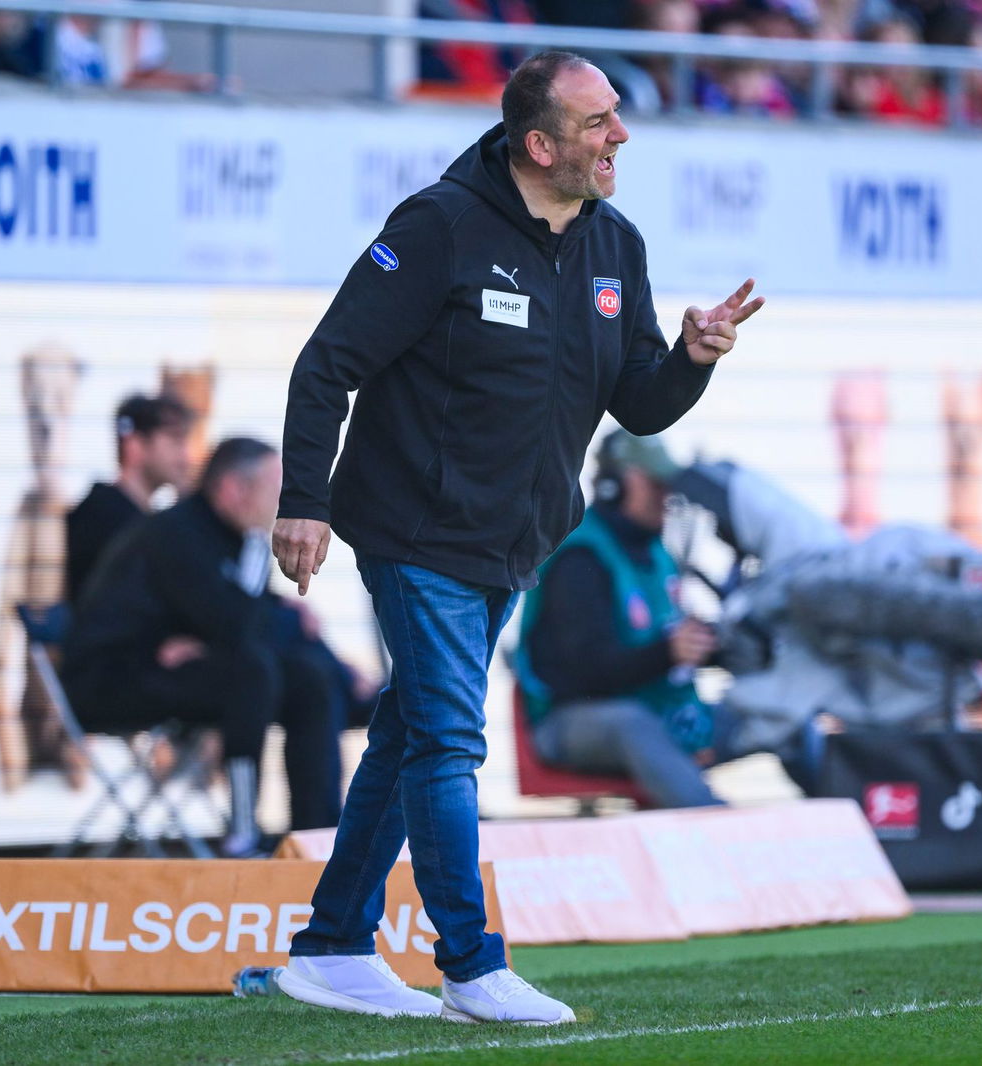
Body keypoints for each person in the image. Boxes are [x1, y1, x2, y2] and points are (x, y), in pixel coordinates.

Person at [271, 50, 763, 1024]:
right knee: (450, 737)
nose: (619, 133)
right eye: (596, 122)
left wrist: (695, 358)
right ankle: (469, 959)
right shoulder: (439, 228)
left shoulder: (616, 245)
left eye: (616, 115)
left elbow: (642, 401)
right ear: (538, 145)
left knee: (411, 730)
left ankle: (330, 945)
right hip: (417, 532)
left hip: (515, 542)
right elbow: (326, 366)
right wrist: (303, 499)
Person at [67, 400, 359, 832]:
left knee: (309, 680)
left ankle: (318, 833)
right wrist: (262, 623)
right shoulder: (177, 534)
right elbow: (236, 622)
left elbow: (240, 615)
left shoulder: (237, 540)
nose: (284, 504)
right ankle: (243, 828)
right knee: (252, 669)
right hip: (110, 678)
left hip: (165, 664)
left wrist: (329, 659)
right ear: (232, 490)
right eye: (275, 491)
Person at [516, 430, 823, 808]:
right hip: (569, 721)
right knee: (631, 725)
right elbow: (585, 672)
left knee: (781, 711)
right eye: (655, 484)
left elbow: (666, 641)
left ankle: (859, 828)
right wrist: (670, 652)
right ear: (614, 484)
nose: (667, 497)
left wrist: (716, 646)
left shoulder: (658, 552)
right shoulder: (580, 556)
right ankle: (718, 834)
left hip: (664, 712)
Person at [66, 393, 193, 606]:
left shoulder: (138, 519)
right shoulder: (103, 517)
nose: (185, 457)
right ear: (134, 445)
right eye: (175, 440)